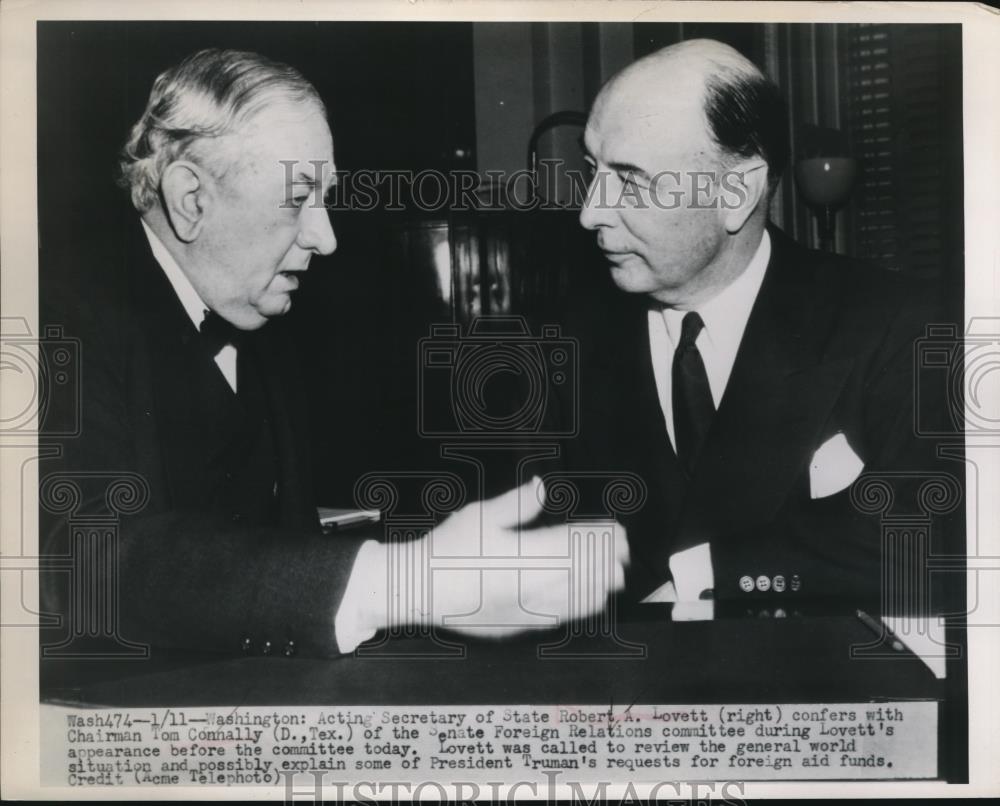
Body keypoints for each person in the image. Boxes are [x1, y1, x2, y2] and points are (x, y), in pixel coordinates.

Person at [39, 48, 627, 659]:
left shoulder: (259, 317)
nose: (326, 237)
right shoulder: (50, 319)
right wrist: (405, 582)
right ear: (191, 198)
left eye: (326, 198)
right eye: (297, 200)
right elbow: (76, 557)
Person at [536, 39, 951, 614]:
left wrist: (710, 577)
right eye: (592, 171)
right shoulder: (558, 347)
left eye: (630, 179)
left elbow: (937, 540)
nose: (590, 211)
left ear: (738, 191)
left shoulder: (897, 325)